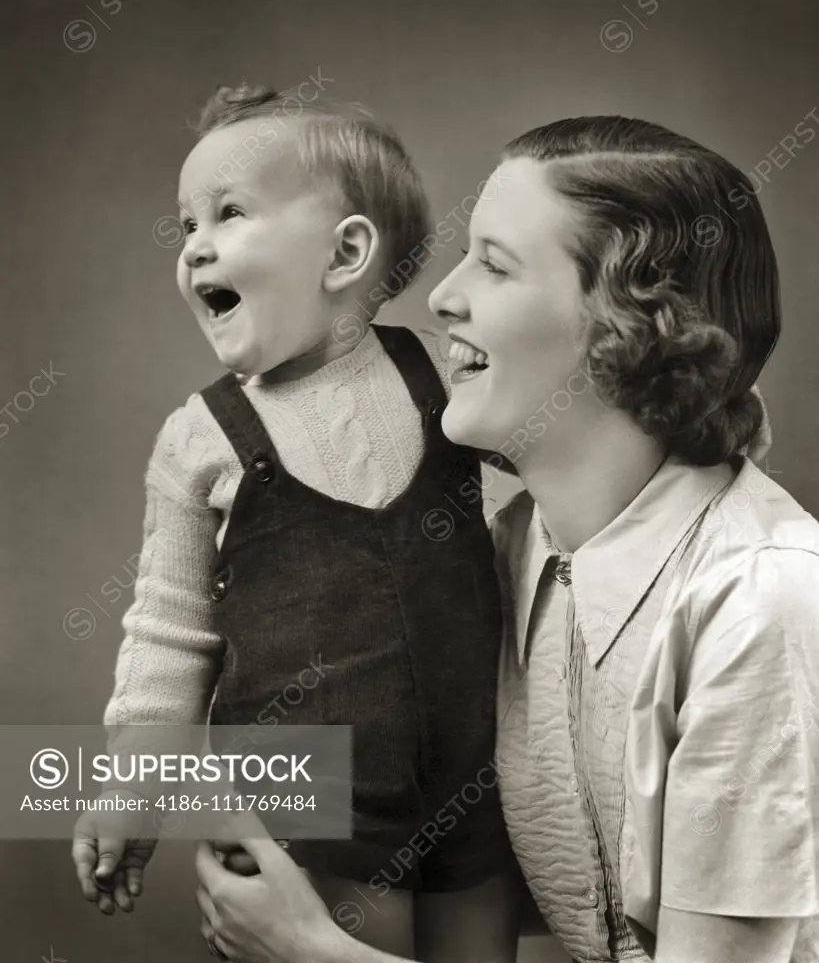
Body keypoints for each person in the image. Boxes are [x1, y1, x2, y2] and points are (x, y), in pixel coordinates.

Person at [195, 115, 819, 963]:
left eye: (494, 264)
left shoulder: (762, 604)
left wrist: (312, 952)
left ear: (626, 322)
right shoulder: (509, 555)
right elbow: (396, 796)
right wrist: (114, 786)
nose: (443, 296)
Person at [71, 84, 519, 962]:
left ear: (346, 252)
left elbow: (558, 485)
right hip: (304, 811)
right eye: (186, 222)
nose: (194, 244)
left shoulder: (446, 377)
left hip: (478, 785)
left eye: (228, 213)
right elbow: (168, 631)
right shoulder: (200, 440)